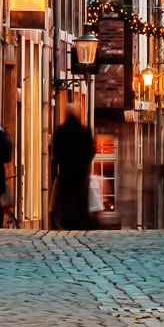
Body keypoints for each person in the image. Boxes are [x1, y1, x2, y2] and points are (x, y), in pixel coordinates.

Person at [50, 95, 96, 231]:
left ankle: (67, 221)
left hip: (65, 171)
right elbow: (91, 152)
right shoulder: (84, 131)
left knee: (66, 198)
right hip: (81, 172)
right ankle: (80, 221)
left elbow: (56, 152)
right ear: (77, 114)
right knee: (81, 197)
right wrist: (85, 164)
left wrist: (62, 162)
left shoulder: (60, 131)